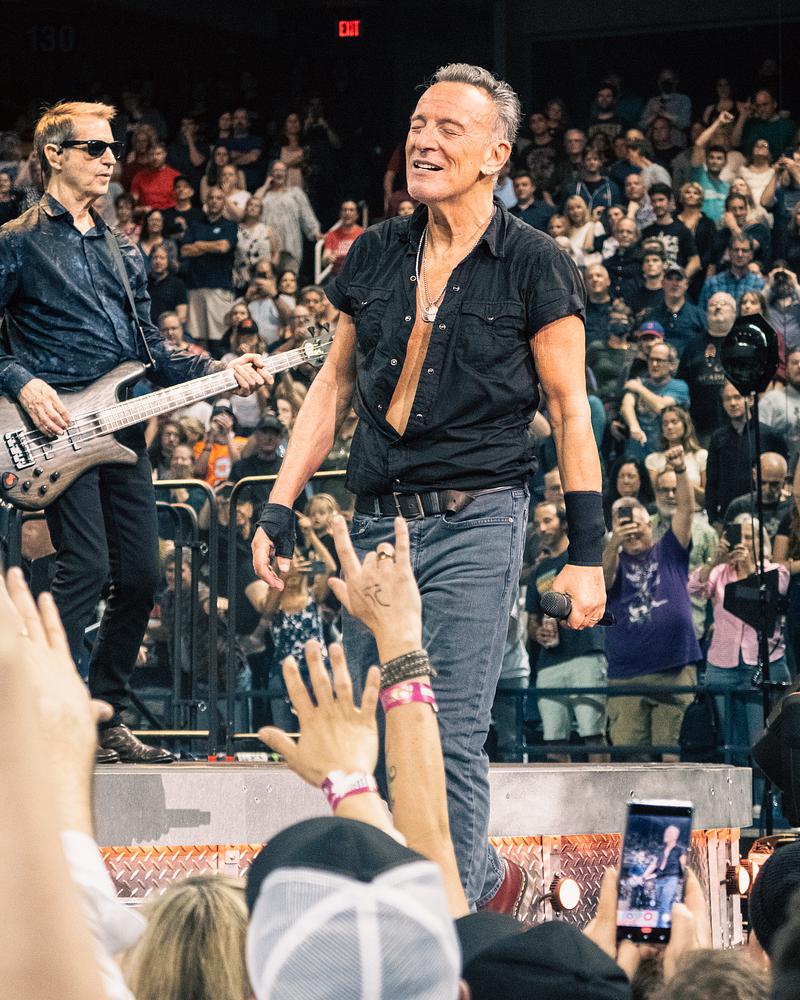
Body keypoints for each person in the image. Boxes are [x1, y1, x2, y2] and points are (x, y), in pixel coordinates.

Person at [251, 63, 606, 911]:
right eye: (418, 124)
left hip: (478, 519)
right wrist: (278, 504)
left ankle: (457, 921)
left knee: (443, 730)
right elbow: (333, 386)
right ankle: (464, 893)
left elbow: (569, 411)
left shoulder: (535, 264)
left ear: (496, 154)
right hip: (378, 526)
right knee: (370, 734)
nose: (425, 140)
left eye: (450, 128)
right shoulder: (375, 251)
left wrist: (587, 554)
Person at [0, 100, 266, 763]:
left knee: (143, 578)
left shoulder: (123, 250)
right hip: (54, 430)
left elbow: (152, 349)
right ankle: (49, 713)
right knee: (85, 568)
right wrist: (22, 382)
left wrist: (220, 369)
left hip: (122, 431)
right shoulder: (16, 241)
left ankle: (105, 715)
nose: (110, 159)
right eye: (95, 147)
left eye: (113, 148)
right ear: (54, 154)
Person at [603, 445, 701, 759]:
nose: (631, 532)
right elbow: (603, 582)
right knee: (629, 763)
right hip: (626, 674)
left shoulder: (669, 549)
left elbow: (686, 510)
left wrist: (681, 470)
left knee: (672, 758)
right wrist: (613, 544)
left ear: (650, 524)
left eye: (636, 525)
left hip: (674, 669)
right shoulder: (611, 559)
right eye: (623, 525)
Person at [690, 514, 790, 765]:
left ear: (761, 542)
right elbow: (693, 589)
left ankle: (759, 792)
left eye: (748, 537)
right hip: (723, 665)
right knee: (731, 746)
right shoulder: (719, 572)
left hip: (761, 665)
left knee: (760, 744)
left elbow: (767, 600)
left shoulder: (774, 571)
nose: (742, 542)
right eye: (738, 536)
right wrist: (714, 561)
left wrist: (748, 570)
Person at [526, 501, 607, 762]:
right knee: (553, 741)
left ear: (563, 522)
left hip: (586, 652)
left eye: (547, 521)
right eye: (537, 523)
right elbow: (531, 619)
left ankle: (603, 789)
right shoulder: (539, 569)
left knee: (593, 735)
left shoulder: (581, 560)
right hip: (550, 661)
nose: (541, 528)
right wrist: (537, 633)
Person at [651, 465, 717, 641]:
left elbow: (717, 579)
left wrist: (717, 621)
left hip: (691, 624)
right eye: (664, 490)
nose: (670, 495)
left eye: (675, 490)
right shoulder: (643, 529)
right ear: (656, 493)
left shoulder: (706, 533)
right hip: (650, 627)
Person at [181, 185, 238, 349]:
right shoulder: (195, 224)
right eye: (211, 198)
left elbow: (223, 247)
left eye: (218, 198)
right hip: (195, 287)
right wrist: (212, 246)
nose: (214, 201)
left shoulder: (230, 225)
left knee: (219, 339)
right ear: (206, 201)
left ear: (224, 202)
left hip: (219, 287)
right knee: (198, 340)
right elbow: (185, 250)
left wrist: (199, 245)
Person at [621, 338, 689, 457]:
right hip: (637, 452)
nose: (654, 364)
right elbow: (626, 405)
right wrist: (634, 426)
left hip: (666, 453)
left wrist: (639, 388)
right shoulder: (641, 382)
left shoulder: (679, 386)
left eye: (659, 360)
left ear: (672, 365)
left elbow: (660, 406)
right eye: (651, 359)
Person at [254, 159, 321, 274]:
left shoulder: (295, 193)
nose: (279, 173)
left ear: (286, 174)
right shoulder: (265, 194)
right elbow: (253, 203)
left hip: (290, 243)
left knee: (289, 276)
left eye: (283, 171)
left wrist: (315, 232)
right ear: (270, 174)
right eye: (276, 170)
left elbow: (306, 214)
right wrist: (265, 185)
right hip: (268, 244)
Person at [645, 405, 707, 507]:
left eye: (674, 422)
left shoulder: (701, 455)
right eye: (665, 424)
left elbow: (707, 498)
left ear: (685, 425)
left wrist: (681, 473)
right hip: (667, 512)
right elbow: (657, 496)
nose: (669, 427)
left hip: (696, 511)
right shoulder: (653, 459)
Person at [723, 452, 792, 542]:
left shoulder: (792, 508)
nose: (767, 489)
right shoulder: (738, 507)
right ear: (754, 475)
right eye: (762, 483)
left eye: (774, 484)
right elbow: (728, 543)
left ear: (785, 480)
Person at [646, 262, 706, 359]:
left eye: (679, 279)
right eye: (670, 279)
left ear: (686, 284)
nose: (674, 283)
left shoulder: (699, 316)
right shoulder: (652, 316)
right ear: (662, 283)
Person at [699, 234, 766, 312]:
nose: (740, 254)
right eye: (736, 250)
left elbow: (764, 314)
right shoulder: (712, 283)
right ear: (729, 253)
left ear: (751, 255)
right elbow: (701, 314)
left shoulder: (759, 284)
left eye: (744, 251)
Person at [758, 346, 800, 470]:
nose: (799, 366)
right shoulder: (771, 400)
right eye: (795, 362)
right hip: (781, 472)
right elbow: (759, 439)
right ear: (786, 369)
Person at [642, 823, 687, 927]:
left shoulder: (679, 850)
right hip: (659, 878)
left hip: (671, 878)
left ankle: (662, 927)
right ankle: (668, 925)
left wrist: (686, 879)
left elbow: (683, 864)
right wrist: (644, 875)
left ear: (675, 836)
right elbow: (654, 864)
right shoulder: (660, 849)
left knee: (664, 904)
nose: (666, 834)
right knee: (660, 904)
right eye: (666, 832)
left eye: (669, 832)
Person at [690, 112, 732, 225]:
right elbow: (699, 144)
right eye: (711, 157)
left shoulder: (727, 187)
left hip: (720, 230)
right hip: (700, 228)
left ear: (725, 163)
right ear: (706, 160)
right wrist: (719, 122)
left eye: (719, 158)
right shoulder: (699, 176)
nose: (714, 161)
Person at [732, 89, 797, 161]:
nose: (762, 109)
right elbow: (735, 143)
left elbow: (794, 151)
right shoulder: (751, 123)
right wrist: (743, 115)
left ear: (774, 104)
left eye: (765, 104)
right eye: (758, 106)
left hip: (777, 166)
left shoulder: (788, 125)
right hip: (751, 166)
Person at [322, 199, 365, 277]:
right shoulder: (332, 234)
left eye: (351, 210)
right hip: (337, 276)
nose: (347, 213)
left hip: (357, 276)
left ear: (357, 214)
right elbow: (325, 258)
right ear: (340, 213)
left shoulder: (363, 233)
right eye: (344, 210)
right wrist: (328, 258)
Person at [147, 244, 188, 324]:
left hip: (168, 328)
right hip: (147, 328)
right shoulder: (143, 284)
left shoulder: (178, 285)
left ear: (168, 261)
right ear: (150, 260)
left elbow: (182, 316)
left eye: (162, 258)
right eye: (155, 257)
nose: (158, 261)